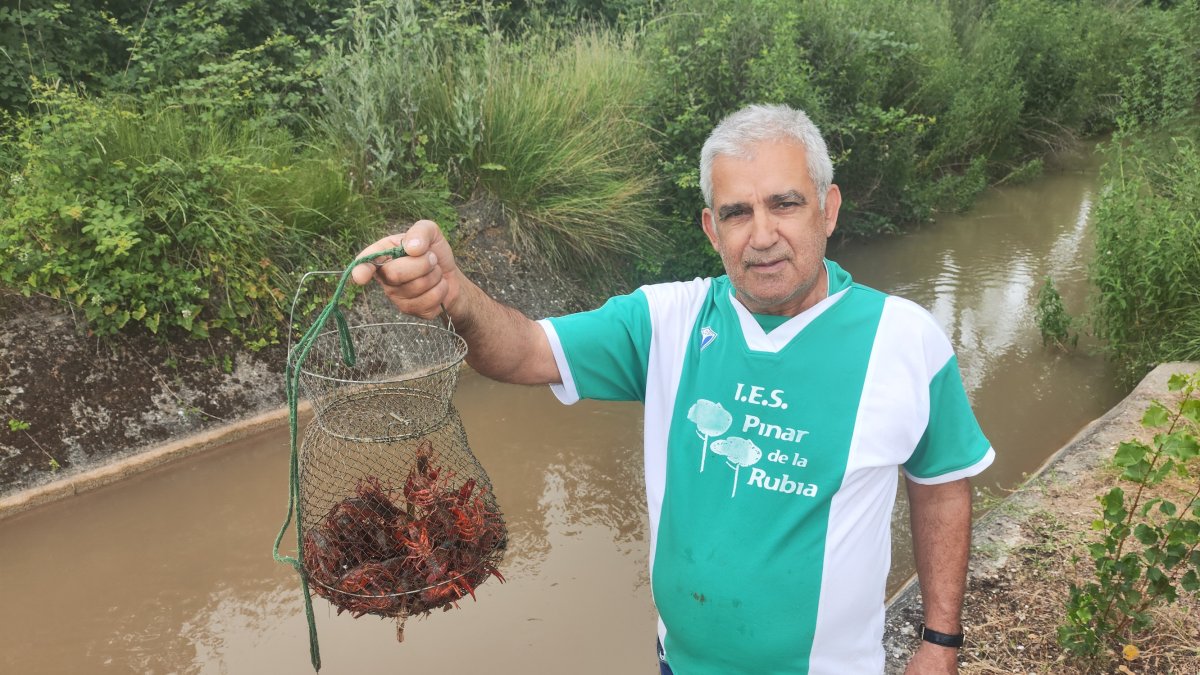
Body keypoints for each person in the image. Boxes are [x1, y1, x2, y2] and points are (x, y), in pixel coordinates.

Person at [351, 103, 994, 675]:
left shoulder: (905, 340)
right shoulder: (665, 322)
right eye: (737, 213)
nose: (762, 234)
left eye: (786, 204)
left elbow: (940, 484)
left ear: (828, 210)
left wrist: (939, 638)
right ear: (712, 231)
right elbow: (521, 349)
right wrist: (456, 295)